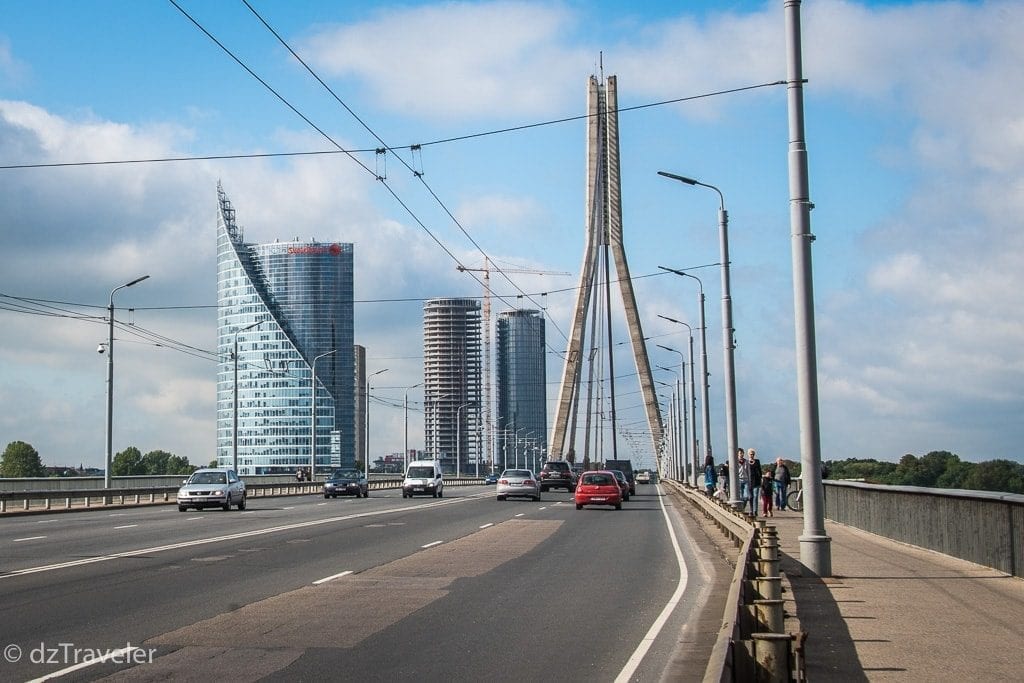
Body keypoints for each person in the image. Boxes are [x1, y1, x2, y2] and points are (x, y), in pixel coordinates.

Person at [748, 448, 762, 516]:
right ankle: (751, 510)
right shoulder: (747, 462)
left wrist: (761, 478)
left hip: (756, 480)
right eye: (751, 454)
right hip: (749, 481)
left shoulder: (757, 461)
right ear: (748, 454)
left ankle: (755, 510)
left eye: (753, 454)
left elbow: (759, 470)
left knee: (756, 496)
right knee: (750, 497)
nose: (752, 455)